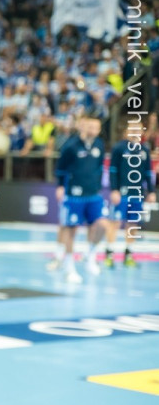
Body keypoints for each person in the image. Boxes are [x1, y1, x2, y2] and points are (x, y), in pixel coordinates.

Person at [54, 112, 108, 283]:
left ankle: (90, 256)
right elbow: (60, 168)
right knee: (71, 230)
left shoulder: (99, 144)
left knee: (102, 225)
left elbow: (99, 167)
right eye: (90, 126)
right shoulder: (71, 146)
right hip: (74, 195)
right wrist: (60, 187)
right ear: (83, 127)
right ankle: (69, 266)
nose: (93, 130)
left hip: (93, 194)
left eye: (96, 127)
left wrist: (98, 186)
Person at [105, 122, 155, 268]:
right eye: (132, 129)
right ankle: (109, 253)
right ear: (126, 131)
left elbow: (148, 173)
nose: (135, 132)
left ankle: (128, 254)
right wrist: (114, 190)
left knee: (132, 224)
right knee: (115, 222)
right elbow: (113, 170)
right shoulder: (119, 148)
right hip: (121, 193)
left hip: (137, 194)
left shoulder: (144, 150)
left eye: (138, 129)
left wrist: (151, 191)